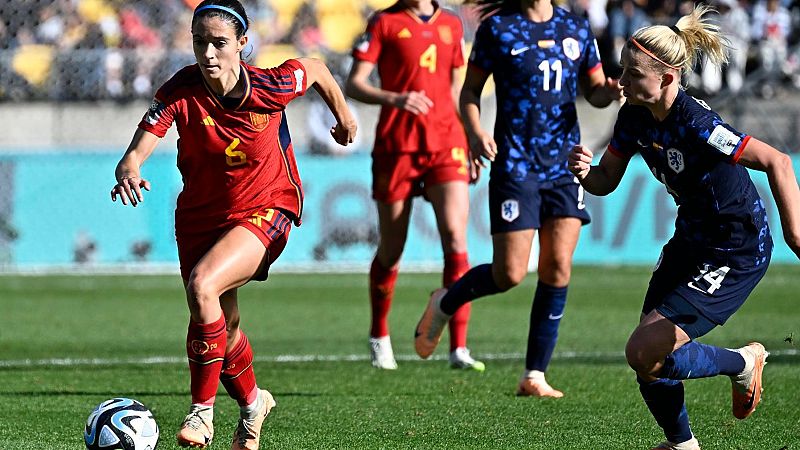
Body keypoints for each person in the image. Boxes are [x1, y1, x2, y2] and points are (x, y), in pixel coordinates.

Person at [110, 1, 357, 448]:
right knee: (224, 324)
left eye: (219, 43)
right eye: (199, 42)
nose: (208, 54)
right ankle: (252, 405)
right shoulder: (180, 90)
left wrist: (344, 117)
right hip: (202, 217)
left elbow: (317, 68)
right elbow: (139, 148)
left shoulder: (271, 84)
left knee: (203, 286)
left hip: (268, 207)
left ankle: (201, 413)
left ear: (242, 44)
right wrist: (129, 166)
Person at [566, 5, 800, 449]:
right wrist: (585, 171)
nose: (621, 81)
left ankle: (742, 363)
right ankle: (682, 444)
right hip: (690, 239)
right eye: (622, 70)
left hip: (735, 248)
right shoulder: (633, 116)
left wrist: (795, 236)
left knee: (643, 350)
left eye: (632, 74)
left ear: (667, 78)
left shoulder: (697, 123)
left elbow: (777, 161)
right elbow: (605, 182)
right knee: (647, 359)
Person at [413, 0, 623, 397]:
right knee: (509, 273)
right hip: (516, 166)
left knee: (558, 266)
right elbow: (470, 92)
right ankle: (445, 301)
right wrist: (475, 134)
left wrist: (610, 91)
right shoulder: (498, 29)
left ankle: (534, 375)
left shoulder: (576, 28)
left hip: (565, 165)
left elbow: (593, 90)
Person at [346, 0, 484, 371]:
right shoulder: (384, 22)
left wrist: (471, 137)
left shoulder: (452, 25)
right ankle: (380, 336)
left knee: (456, 240)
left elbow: (457, 89)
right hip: (398, 146)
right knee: (392, 248)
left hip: (446, 143)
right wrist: (396, 97)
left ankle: (458, 347)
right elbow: (354, 83)